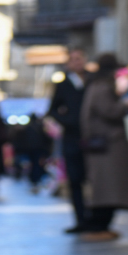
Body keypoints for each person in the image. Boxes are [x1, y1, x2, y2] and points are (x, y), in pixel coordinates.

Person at [79, 53, 128, 242]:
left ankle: (103, 226)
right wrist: (126, 101)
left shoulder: (98, 86)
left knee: (107, 188)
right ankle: (98, 226)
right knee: (106, 189)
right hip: (107, 146)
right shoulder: (102, 88)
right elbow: (110, 111)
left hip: (105, 146)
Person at [50, 48, 90, 232]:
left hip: (92, 137)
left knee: (93, 177)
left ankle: (95, 218)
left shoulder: (92, 80)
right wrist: (68, 121)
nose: (76, 62)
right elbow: (53, 110)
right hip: (72, 138)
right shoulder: (63, 85)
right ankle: (80, 219)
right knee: (75, 179)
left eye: (79, 58)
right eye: (72, 59)